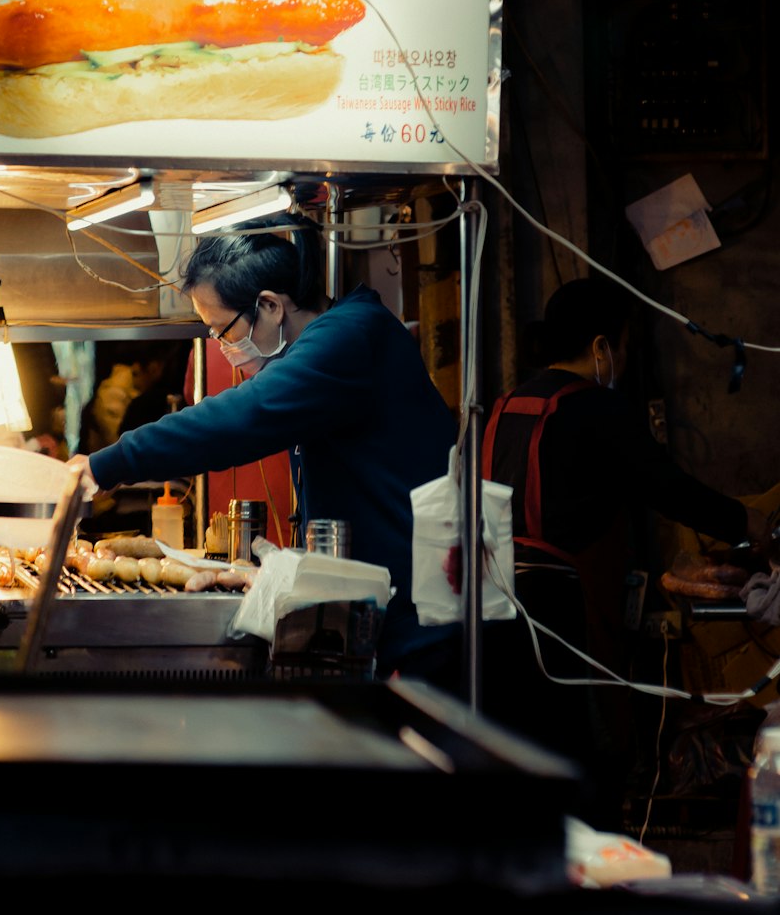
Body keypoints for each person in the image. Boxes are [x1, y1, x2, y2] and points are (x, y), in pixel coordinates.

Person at [68, 217, 460, 680]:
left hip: (423, 627)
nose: (222, 347)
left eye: (223, 332)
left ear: (270, 306)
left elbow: (241, 418)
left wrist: (103, 465)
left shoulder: (352, 335)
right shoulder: (333, 342)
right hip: (381, 614)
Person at [476, 275, 768, 828]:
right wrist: (748, 523)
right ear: (601, 347)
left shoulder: (503, 406)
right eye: (625, 345)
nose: (626, 359)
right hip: (562, 613)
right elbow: (671, 490)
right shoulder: (597, 409)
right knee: (584, 765)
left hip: (494, 612)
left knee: (521, 763)